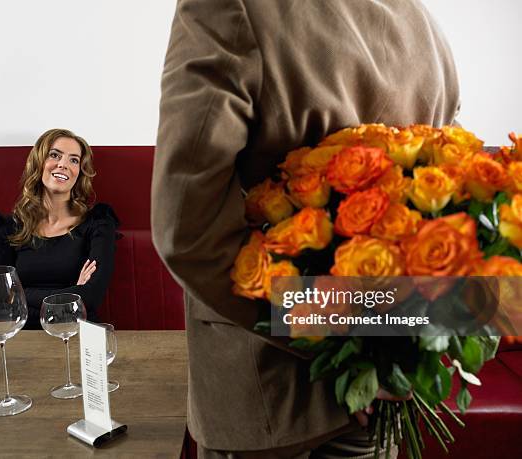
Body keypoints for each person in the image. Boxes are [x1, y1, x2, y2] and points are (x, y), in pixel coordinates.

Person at [152, 0, 460, 458]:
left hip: (272, 403)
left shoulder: (228, 6)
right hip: (382, 399)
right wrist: (392, 345)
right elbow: (452, 201)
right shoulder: (419, 18)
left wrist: (347, 345)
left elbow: (185, 232)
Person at [0, 128, 119, 329]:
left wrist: (18, 293)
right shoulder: (7, 229)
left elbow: (90, 298)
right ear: (39, 162)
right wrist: (73, 292)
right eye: (55, 155)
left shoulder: (98, 224)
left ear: (80, 172)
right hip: (22, 340)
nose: (63, 164)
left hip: (79, 334)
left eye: (74, 160)